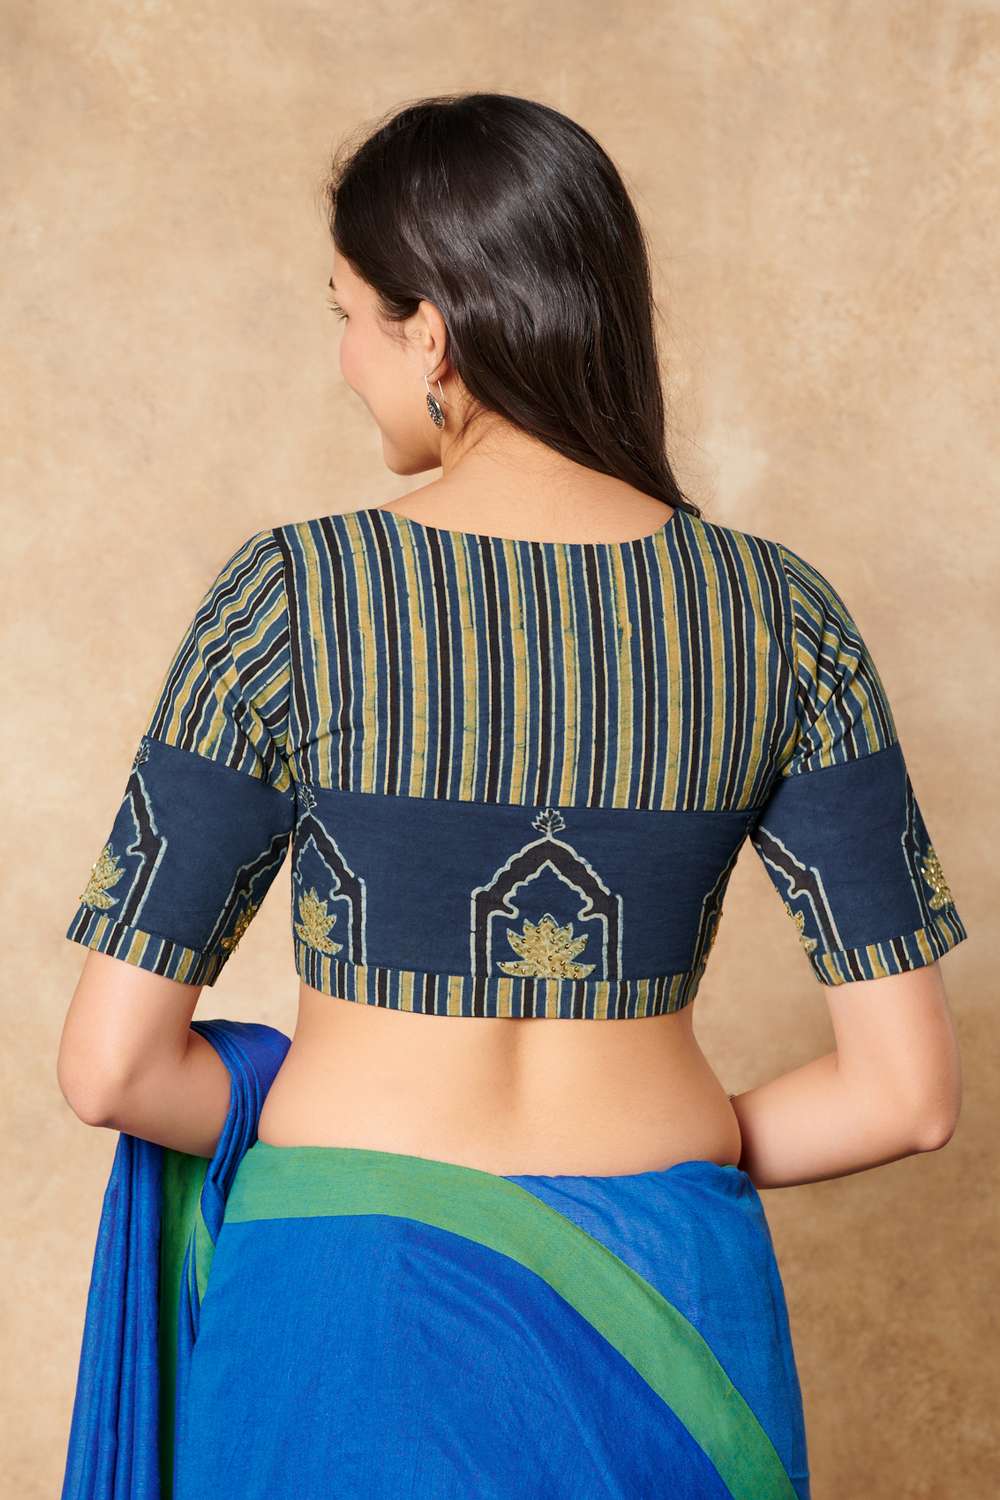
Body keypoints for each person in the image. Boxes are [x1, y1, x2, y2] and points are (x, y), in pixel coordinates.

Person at [57, 92, 967, 1500]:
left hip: (348, 1304)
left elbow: (111, 1071)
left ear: (431, 332)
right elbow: (906, 1098)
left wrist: (314, 1098)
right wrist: (657, 1135)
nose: (345, 359)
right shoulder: (783, 619)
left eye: (350, 316)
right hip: (671, 1303)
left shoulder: (292, 599)